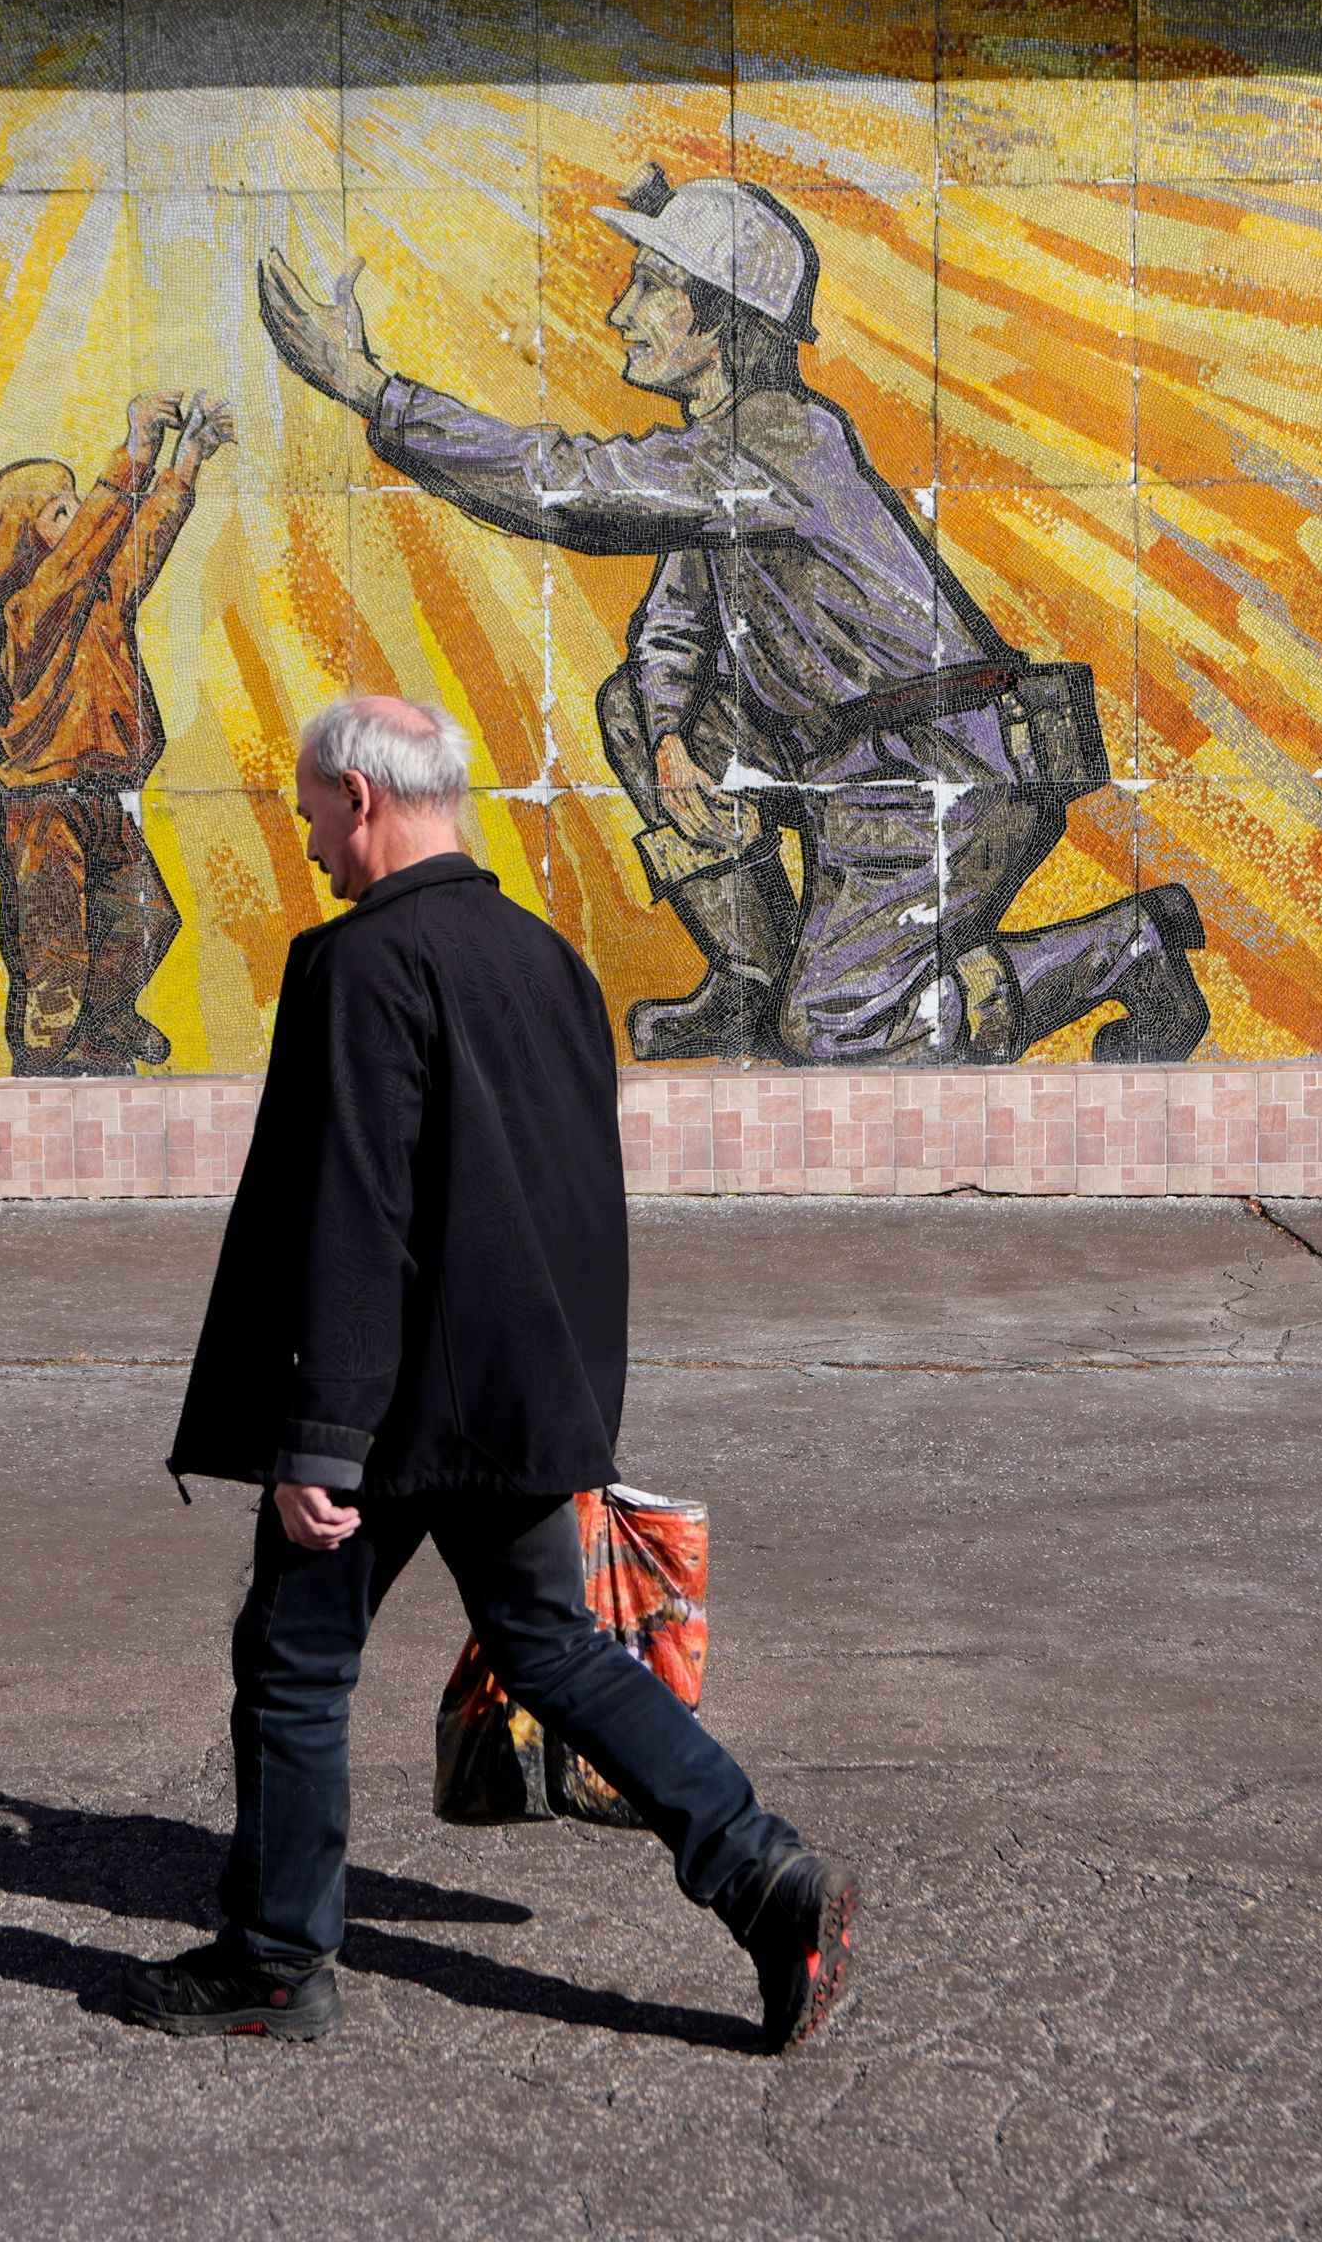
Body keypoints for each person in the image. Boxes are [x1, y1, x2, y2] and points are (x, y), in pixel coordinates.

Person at [122, 692, 857, 2053]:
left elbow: (354, 1206)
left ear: (359, 792)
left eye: (307, 812)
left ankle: (280, 1962)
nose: (308, 843)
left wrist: (323, 1436)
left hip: (393, 1400)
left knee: (292, 1659)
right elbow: (578, 1196)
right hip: (520, 1390)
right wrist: (574, 1404)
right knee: (555, 1646)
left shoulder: (358, 966)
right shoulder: (548, 959)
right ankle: (764, 1877)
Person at [254, 174, 1209, 1068]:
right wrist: (671, 736)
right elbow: (672, 632)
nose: (620, 312)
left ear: (720, 324)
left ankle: (1129, 946)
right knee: (635, 704)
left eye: (652, 287)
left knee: (839, 1037)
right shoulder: (721, 460)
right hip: (844, 767)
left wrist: (376, 393)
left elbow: (570, 488)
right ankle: (754, 978)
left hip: (941, 781)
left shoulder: (779, 443)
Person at [0, 391, 234, 1075]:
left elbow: (142, 543)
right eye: (59, 510)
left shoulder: (96, 603)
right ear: (21, 539)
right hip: (40, 805)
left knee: (144, 920)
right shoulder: (28, 612)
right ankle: (46, 1069)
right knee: (55, 959)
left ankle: (100, 1027)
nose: (78, 519)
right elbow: (83, 556)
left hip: (102, 791)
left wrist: (187, 457)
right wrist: (136, 449)